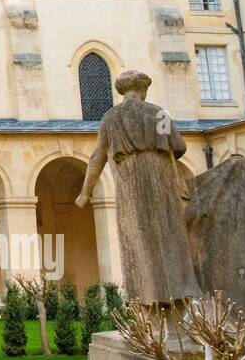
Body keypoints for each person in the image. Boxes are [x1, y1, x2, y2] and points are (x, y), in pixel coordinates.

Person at [75, 69, 201, 306]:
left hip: (130, 180)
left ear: (122, 91)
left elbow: (98, 157)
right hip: (161, 176)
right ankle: (177, 292)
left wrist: (85, 192)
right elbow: (179, 146)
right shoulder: (158, 114)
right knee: (169, 233)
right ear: (143, 89)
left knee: (137, 237)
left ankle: (146, 296)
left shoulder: (111, 117)